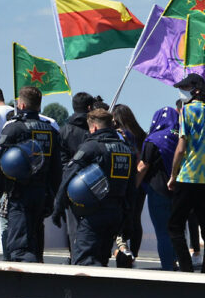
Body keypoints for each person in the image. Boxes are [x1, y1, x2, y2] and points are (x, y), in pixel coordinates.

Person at [0, 86, 60, 262]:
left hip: (19, 196)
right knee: (35, 245)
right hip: (41, 196)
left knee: (19, 250)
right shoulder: (51, 132)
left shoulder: (14, 129)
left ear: (21, 105)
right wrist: (51, 198)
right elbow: (57, 170)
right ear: (39, 106)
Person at [52, 109, 136, 266]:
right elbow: (132, 188)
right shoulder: (126, 149)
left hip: (93, 214)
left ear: (95, 128)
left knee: (86, 262)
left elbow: (69, 175)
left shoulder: (91, 147)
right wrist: (129, 219)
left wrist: (58, 207)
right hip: (116, 213)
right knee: (101, 261)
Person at [166, 73, 205, 273]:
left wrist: (173, 175)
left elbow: (181, 148)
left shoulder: (187, 110)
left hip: (188, 176)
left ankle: (186, 268)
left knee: (175, 226)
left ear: (194, 90)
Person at [135, 106, 179, 271]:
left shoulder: (153, 140)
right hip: (179, 191)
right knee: (176, 230)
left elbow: (143, 166)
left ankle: (167, 267)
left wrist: (133, 188)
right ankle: (175, 262)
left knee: (162, 232)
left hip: (157, 190)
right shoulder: (182, 137)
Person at [58, 91, 95, 257]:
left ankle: (76, 258)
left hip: (70, 183)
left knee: (73, 227)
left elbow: (61, 161)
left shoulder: (64, 131)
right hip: (94, 183)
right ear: (89, 108)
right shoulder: (95, 130)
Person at [111, 104, 146, 266]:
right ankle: (135, 254)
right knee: (136, 218)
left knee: (123, 217)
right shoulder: (141, 135)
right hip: (142, 181)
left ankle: (124, 249)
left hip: (125, 181)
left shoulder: (120, 135)